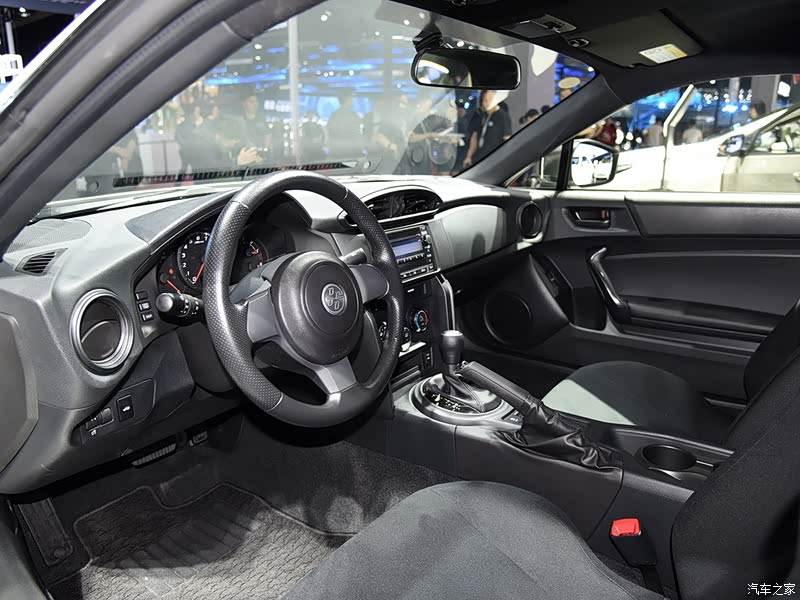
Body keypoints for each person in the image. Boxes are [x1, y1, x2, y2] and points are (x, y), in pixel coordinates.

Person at [463, 90, 511, 167]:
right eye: (485, 100)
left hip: (494, 159)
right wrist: (469, 156)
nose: (487, 103)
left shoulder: (502, 116)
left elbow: (507, 138)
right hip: (478, 158)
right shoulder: (480, 116)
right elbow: (474, 138)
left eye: (490, 99)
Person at [327, 94, 363, 158]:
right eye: (351, 100)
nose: (352, 102)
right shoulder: (353, 115)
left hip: (337, 151)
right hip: (351, 151)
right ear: (347, 100)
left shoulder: (334, 115)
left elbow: (330, 132)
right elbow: (357, 133)